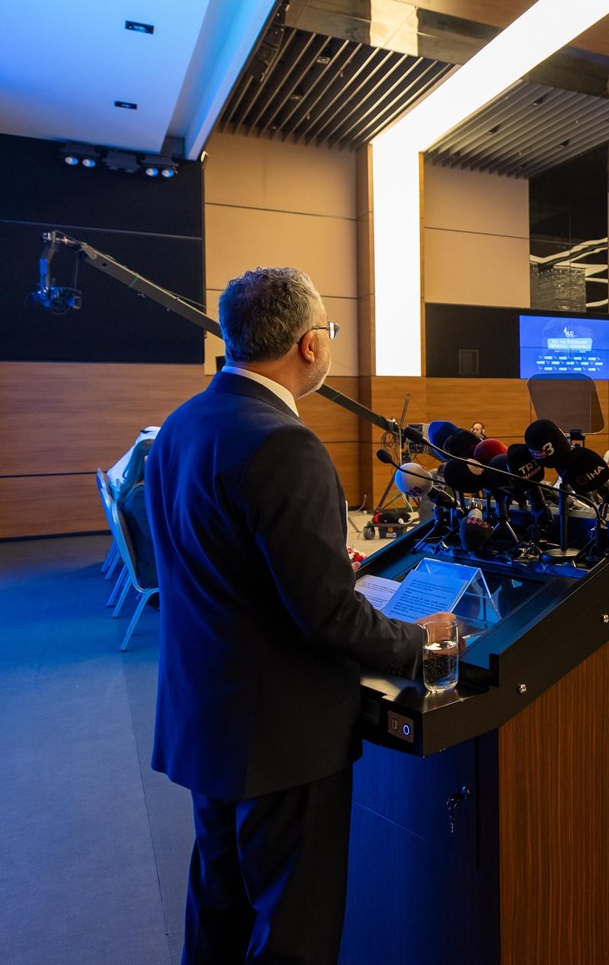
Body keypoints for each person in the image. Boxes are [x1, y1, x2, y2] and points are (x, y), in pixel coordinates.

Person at [144, 267, 428, 964]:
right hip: (280, 737)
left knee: (219, 909)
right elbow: (327, 616)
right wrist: (421, 643)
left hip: (206, 718)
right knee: (291, 929)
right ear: (308, 345)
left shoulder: (181, 425)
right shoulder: (284, 442)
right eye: (329, 332)